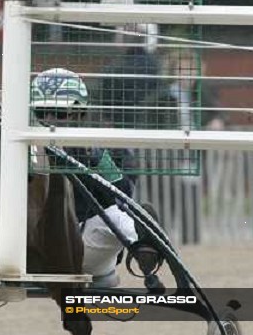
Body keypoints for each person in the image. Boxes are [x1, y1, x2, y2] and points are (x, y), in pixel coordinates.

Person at [31, 68, 159, 287]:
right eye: (42, 112)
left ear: (79, 113)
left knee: (121, 214)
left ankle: (144, 247)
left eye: (59, 113)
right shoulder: (22, 145)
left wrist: (94, 159)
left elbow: (124, 195)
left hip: (85, 245)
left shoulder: (105, 144)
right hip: (35, 249)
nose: (49, 120)